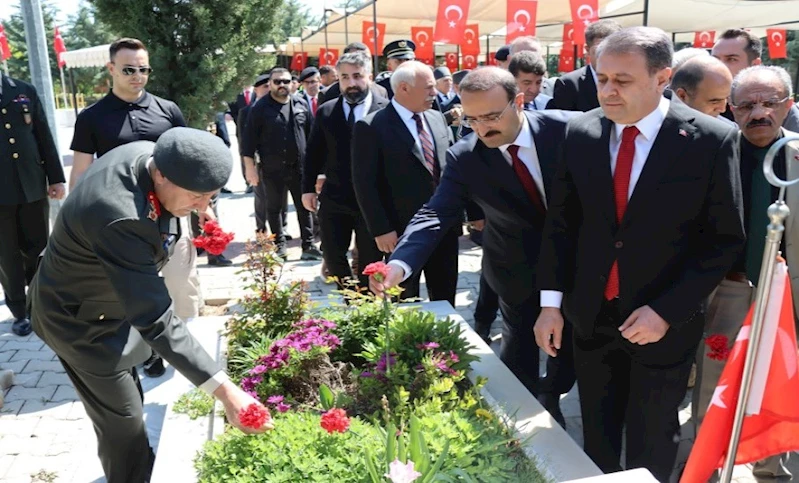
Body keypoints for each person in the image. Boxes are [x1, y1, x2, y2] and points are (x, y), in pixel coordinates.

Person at [534, 27, 745, 481]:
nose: (607, 90)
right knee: (597, 437)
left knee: (652, 440)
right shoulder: (581, 132)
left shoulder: (710, 139)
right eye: (602, 77)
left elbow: (723, 241)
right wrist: (550, 306)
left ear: (662, 77)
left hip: (662, 323)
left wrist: (665, 312)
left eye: (622, 80)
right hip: (590, 318)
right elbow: (561, 226)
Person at [29, 128, 272, 483]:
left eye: (212, 197)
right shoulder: (118, 215)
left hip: (111, 299)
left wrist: (197, 208)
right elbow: (156, 317)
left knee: (130, 401)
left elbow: (161, 208)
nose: (204, 205)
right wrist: (225, 391)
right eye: (196, 197)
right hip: (77, 319)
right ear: (161, 174)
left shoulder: (151, 154)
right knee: (123, 421)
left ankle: (139, 464)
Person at [367, 67, 577, 423]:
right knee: (520, 347)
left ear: (520, 102)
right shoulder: (465, 155)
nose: (482, 128)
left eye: (492, 117)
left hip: (576, 264)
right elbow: (435, 213)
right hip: (514, 266)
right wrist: (399, 264)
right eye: (472, 119)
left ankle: (553, 392)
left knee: (570, 343)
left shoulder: (569, 130)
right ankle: (522, 417)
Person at [67, 38, 198, 377]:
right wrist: (73, 219)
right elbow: (80, 173)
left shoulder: (168, 110)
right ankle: (142, 350)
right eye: (129, 69)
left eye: (143, 69)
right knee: (130, 287)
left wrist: (202, 205)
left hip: (168, 217)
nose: (138, 75)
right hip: (119, 219)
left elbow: (187, 162)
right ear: (111, 69)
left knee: (174, 281)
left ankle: (166, 344)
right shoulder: (92, 118)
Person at [698, 65, 797, 481]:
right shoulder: (713, 152)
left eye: (769, 103)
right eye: (746, 104)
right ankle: (704, 463)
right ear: (730, 109)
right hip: (728, 289)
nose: (758, 113)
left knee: (776, 382)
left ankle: (771, 468)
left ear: (788, 106)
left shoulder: (796, 156)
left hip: (785, 295)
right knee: (713, 382)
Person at [352, 61, 457, 305]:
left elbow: (451, 169)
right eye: (429, 88)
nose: (434, 93)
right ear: (404, 88)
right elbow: (364, 183)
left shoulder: (436, 118)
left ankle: (443, 342)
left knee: (445, 295)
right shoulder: (371, 126)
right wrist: (380, 228)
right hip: (399, 231)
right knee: (404, 299)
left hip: (443, 226)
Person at [302, 52, 387, 289]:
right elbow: (313, 152)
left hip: (372, 201)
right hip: (335, 197)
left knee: (370, 258)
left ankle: (366, 302)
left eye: (357, 76)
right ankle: (350, 296)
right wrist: (307, 188)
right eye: (345, 77)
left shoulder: (385, 110)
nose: (351, 83)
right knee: (331, 253)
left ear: (369, 76)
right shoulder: (327, 111)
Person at [0, 71, 65, 337]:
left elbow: (42, 134)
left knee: (38, 247)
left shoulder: (23, 89)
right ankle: (19, 311)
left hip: (32, 184)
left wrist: (56, 177)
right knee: (7, 254)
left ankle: (42, 304)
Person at [241, 68, 322, 261]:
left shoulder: (300, 104)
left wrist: (318, 168)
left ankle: (308, 245)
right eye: (277, 82)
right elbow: (248, 142)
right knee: (274, 208)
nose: (282, 85)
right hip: (272, 168)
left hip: (300, 167)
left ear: (291, 83)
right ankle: (279, 247)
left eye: (286, 81)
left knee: (305, 207)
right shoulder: (259, 109)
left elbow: (313, 137)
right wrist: (250, 169)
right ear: (270, 84)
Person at [712, 28, 799, 130]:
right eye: (715, 59)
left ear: (755, 65)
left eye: (731, 59)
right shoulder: (705, 103)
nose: (720, 65)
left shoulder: (779, 107)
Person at [548, 19, 622, 112]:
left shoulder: (631, 80)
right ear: (587, 50)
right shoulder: (569, 85)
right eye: (599, 51)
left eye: (613, 51)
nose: (607, 57)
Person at [669, 56, 736, 126]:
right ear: (682, 96)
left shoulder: (728, 131)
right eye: (715, 101)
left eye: (727, 99)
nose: (723, 109)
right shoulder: (658, 127)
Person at [318, 42, 388, 104]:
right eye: (355, 57)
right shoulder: (327, 94)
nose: (362, 61)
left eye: (367, 58)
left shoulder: (381, 91)